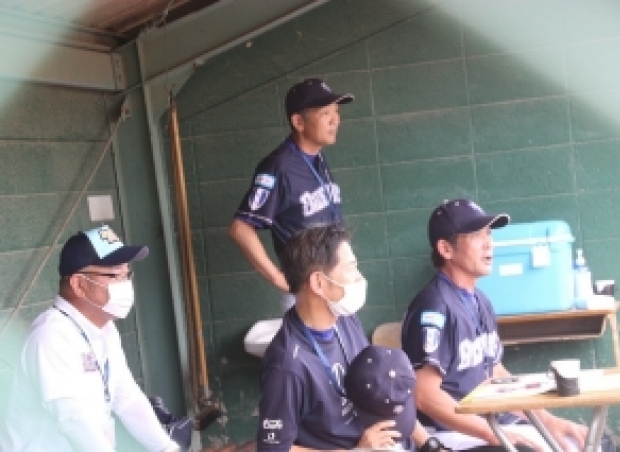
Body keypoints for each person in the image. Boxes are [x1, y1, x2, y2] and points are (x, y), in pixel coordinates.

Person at [401, 199, 596, 452]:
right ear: (446, 249)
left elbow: (495, 373)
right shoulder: (433, 306)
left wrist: (548, 422)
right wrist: (493, 434)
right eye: (476, 235)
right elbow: (425, 395)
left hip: (490, 422)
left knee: (589, 443)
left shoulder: (479, 300)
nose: (488, 243)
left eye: (488, 234)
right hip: (449, 433)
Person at [256, 224, 446, 451]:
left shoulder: (344, 319)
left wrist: (430, 445)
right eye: (351, 268)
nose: (359, 277)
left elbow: (381, 388)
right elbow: (274, 448)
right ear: (319, 283)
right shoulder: (287, 363)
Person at [0, 225, 181, 452]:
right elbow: (72, 419)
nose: (125, 284)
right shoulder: (51, 335)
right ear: (79, 284)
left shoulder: (105, 329)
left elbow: (126, 397)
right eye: (114, 275)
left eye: (126, 275)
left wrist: (167, 448)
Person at [229, 78, 353, 312]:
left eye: (336, 111)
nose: (335, 120)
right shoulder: (278, 166)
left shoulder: (318, 157)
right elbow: (240, 229)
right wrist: (279, 278)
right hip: (308, 292)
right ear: (298, 122)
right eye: (325, 113)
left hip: (334, 283)